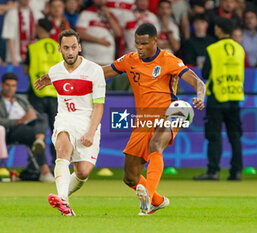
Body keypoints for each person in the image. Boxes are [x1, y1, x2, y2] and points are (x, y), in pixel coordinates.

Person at [35, 23, 205, 215]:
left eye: (144, 43)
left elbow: (197, 81)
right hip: (144, 119)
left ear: (155, 41)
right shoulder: (130, 60)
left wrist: (200, 95)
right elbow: (99, 73)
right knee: (130, 177)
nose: (139, 47)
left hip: (171, 112)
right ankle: (157, 201)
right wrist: (57, 76)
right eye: (137, 43)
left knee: (156, 145)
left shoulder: (169, 59)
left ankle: (147, 200)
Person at [38, 29, 106, 216]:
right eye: (66, 47)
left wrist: (91, 132)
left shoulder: (95, 70)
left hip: (87, 120)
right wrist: (46, 80)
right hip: (65, 118)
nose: (70, 52)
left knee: (83, 172)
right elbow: (54, 78)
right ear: (59, 49)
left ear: (80, 48)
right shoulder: (55, 71)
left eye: (73, 47)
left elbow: (99, 106)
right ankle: (64, 204)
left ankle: (62, 196)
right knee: (63, 150)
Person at [193, 17, 245, 181]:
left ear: (220, 30)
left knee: (214, 135)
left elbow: (206, 74)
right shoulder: (240, 49)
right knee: (235, 136)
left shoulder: (213, 49)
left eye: (216, 28)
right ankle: (236, 172)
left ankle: (213, 171)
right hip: (235, 96)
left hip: (217, 97)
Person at [0, 72, 54, 182]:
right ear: (1, 85)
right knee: (35, 133)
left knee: (43, 117)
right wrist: (20, 121)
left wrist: (33, 115)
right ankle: (45, 170)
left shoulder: (20, 98)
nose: (10, 88)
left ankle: (39, 140)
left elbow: (33, 113)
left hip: (29, 127)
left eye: (13, 86)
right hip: (10, 131)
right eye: (7, 85)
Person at [25, 18, 63, 163]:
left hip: (37, 93)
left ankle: (37, 166)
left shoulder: (33, 48)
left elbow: (26, 70)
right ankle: (58, 165)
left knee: (37, 130)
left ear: (39, 28)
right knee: (57, 131)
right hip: (56, 94)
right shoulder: (58, 47)